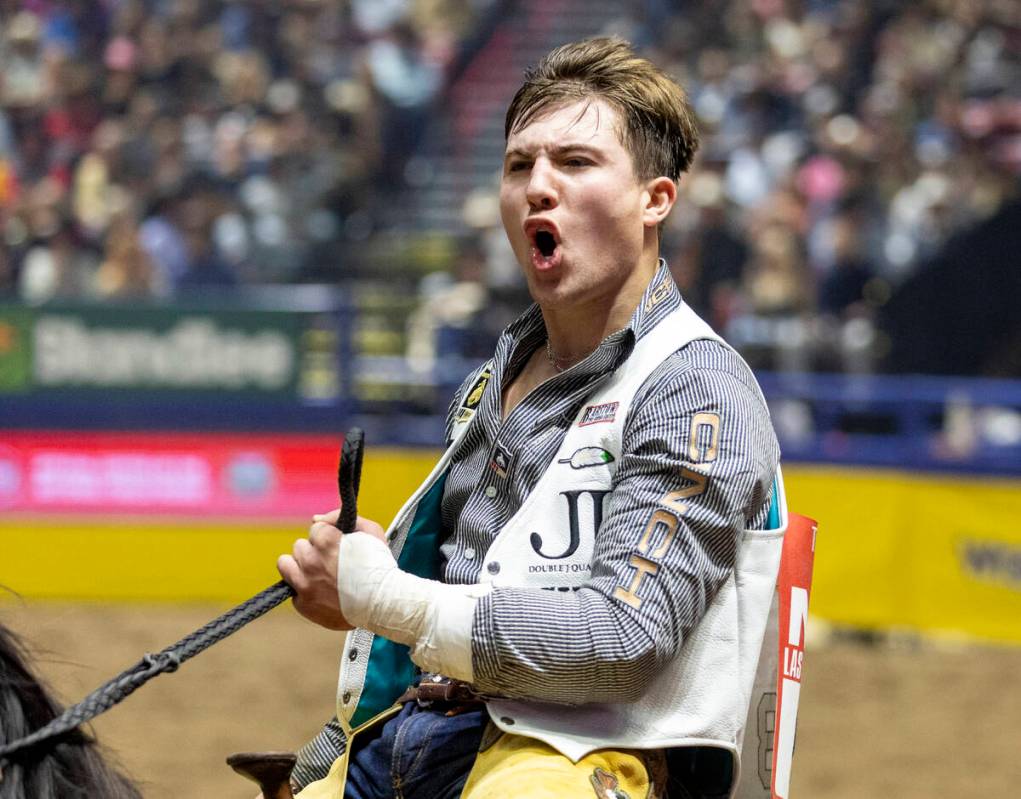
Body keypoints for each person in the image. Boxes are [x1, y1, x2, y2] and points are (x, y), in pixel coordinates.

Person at [278, 37, 785, 799]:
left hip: (590, 758)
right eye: (520, 165)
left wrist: (382, 598)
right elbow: (469, 579)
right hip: (413, 734)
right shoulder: (493, 379)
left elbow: (625, 637)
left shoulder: (695, 385)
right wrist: (373, 574)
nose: (537, 186)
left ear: (655, 200)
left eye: (575, 163)